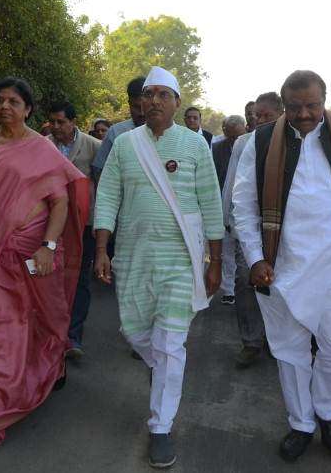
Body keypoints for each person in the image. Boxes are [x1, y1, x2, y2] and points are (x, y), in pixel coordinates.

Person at [233, 70, 331, 462]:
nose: (304, 114)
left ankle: (326, 410)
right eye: (295, 107)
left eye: (312, 105)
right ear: (284, 105)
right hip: (282, 267)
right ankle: (302, 422)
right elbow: (244, 203)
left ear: (325, 100)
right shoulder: (263, 140)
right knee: (290, 352)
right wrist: (254, 258)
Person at [94, 66, 224, 468]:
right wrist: (101, 248)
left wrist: (215, 261)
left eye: (162, 95)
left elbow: (211, 202)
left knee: (170, 344)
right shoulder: (125, 144)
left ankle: (161, 426)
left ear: (176, 103)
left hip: (180, 258)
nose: (153, 101)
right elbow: (108, 194)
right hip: (133, 256)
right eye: (148, 94)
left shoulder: (196, 145)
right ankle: (164, 369)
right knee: (134, 332)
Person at [0, 77, 89, 448]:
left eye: (13, 101)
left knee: (44, 319)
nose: (5, 107)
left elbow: (59, 203)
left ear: (28, 109)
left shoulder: (42, 150)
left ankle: (50, 364)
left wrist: (48, 246)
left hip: (33, 252)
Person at [223, 91, 284, 368]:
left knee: (280, 287)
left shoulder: (293, 143)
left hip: (283, 233)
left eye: (265, 116)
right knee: (245, 284)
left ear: (281, 115)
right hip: (248, 230)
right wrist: (227, 220)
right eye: (255, 116)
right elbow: (232, 185)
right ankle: (251, 342)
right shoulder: (244, 143)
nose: (258, 120)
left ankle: (278, 341)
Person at [47, 101, 102, 358]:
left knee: (79, 278)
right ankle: (50, 333)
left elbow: (103, 186)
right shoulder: (42, 145)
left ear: (73, 122)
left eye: (62, 122)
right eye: (53, 122)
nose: (56, 127)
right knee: (51, 276)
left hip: (84, 223)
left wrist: (101, 224)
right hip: (49, 224)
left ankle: (73, 336)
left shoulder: (94, 147)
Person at [211, 115, 248, 305]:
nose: (233, 140)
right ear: (224, 132)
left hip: (245, 207)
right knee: (226, 251)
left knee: (243, 252)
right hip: (221, 205)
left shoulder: (250, 145)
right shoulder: (216, 148)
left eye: (236, 136)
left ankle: (243, 287)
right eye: (229, 135)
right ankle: (228, 290)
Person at [92, 76, 147, 179]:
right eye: (137, 107)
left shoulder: (166, 133)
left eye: (145, 107)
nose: (142, 113)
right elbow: (100, 170)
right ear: (129, 104)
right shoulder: (115, 133)